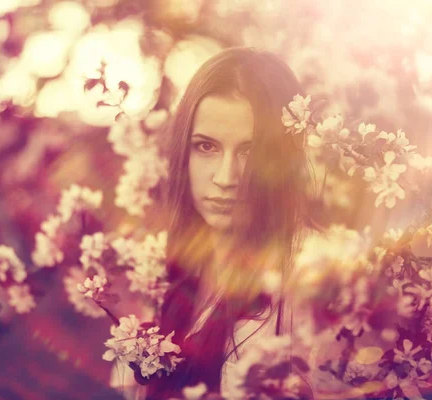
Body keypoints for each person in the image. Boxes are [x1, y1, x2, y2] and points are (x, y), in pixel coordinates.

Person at [111, 47, 314, 399]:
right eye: (206, 147)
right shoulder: (161, 267)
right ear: (182, 153)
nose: (226, 177)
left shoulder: (313, 278)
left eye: (250, 151)